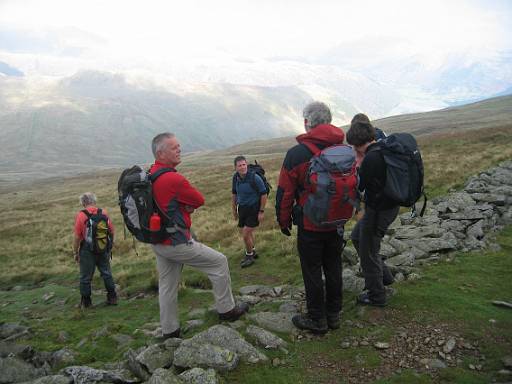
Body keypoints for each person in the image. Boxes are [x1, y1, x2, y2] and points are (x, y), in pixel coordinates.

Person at [149, 132, 249, 339]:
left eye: (179, 146)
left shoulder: (150, 174)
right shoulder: (172, 178)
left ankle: (170, 330)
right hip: (177, 241)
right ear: (160, 153)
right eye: (174, 147)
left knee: (167, 285)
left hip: (158, 240)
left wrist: (181, 207)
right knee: (219, 262)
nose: (179, 149)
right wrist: (186, 208)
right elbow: (199, 199)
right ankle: (227, 309)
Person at [275, 101, 346, 334]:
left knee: (312, 269)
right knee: (334, 265)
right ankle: (334, 314)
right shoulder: (342, 148)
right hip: (337, 222)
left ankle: (317, 319)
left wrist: (284, 221)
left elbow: (285, 193)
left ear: (307, 123)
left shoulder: (297, 154)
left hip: (310, 223)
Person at [346, 121, 400, 307]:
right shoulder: (382, 149)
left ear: (356, 144)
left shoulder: (371, 158)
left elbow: (359, 187)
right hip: (387, 207)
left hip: (379, 210)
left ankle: (376, 296)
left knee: (368, 251)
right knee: (357, 237)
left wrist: (357, 166)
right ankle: (384, 277)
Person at [72, 192, 117, 308]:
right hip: (103, 248)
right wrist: (109, 246)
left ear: (83, 202)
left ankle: (86, 302)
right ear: (94, 201)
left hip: (87, 251)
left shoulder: (81, 215)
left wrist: (75, 252)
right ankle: (112, 298)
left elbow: (77, 237)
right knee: (106, 273)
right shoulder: (103, 212)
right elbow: (111, 231)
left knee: (85, 277)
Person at [231, 156, 267, 268]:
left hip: (254, 208)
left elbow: (264, 194)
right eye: (239, 165)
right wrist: (234, 210)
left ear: (246, 164)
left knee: (245, 234)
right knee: (248, 233)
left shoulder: (255, 178)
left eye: (244, 164)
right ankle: (253, 250)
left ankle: (249, 256)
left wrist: (261, 211)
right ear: (235, 168)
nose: (242, 167)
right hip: (242, 208)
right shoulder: (235, 178)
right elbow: (234, 194)